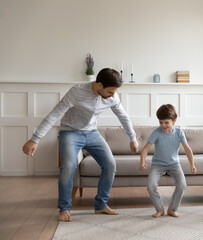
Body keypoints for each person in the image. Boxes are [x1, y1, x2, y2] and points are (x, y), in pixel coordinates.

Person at [22, 68, 139, 222]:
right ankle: (64, 208)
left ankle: (101, 205)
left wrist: (133, 138)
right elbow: (55, 114)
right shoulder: (77, 91)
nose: (112, 96)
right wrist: (35, 138)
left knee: (110, 164)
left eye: (114, 92)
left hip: (92, 133)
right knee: (69, 166)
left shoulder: (112, 97)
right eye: (110, 92)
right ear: (99, 85)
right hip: (70, 133)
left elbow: (123, 117)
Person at [139, 104, 197, 218]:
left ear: (174, 120)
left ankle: (172, 209)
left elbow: (188, 149)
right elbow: (145, 148)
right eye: (161, 122)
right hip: (157, 165)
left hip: (174, 164)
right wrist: (142, 162)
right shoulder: (156, 132)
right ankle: (159, 209)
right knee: (150, 186)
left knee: (182, 184)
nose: (163, 125)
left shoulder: (179, 133)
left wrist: (192, 164)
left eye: (166, 122)